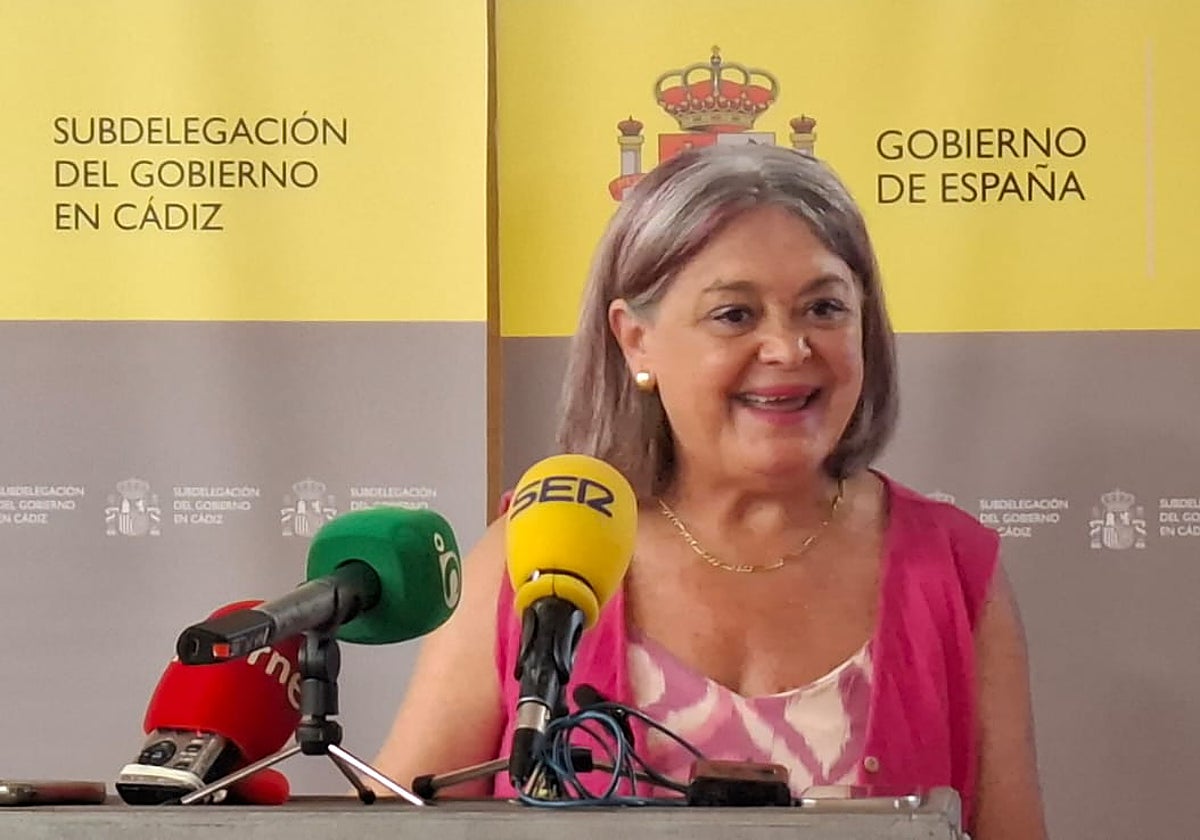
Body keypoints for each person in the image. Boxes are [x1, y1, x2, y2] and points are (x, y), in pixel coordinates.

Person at [372, 143, 1048, 839]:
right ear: (636, 341)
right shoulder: (532, 555)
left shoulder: (955, 572)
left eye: (824, 308)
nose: (788, 349)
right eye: (735, 315)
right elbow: (388, 829)